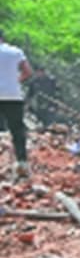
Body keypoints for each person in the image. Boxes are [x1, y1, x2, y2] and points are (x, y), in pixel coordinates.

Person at [0, 31, 33, 177]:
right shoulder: (15, 51)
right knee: (17, 129)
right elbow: (27, 72)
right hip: (13, 95)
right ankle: (22, 162)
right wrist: (15, 81)